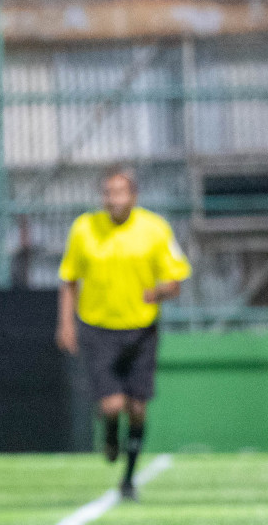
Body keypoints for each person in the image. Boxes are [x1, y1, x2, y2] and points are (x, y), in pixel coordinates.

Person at [57, 165, 191, 500]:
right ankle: (110, 435)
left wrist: (158, 292)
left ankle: (129, 479)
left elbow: (176, 280)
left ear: (133, 196)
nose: (113, 199)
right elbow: (69, 278)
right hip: (98, 328)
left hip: (141, 329)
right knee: (113, 405)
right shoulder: (85, 229)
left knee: (138, 406)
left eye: (119, 192)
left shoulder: (155, 229)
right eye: (107, 192)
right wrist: (66, 323)